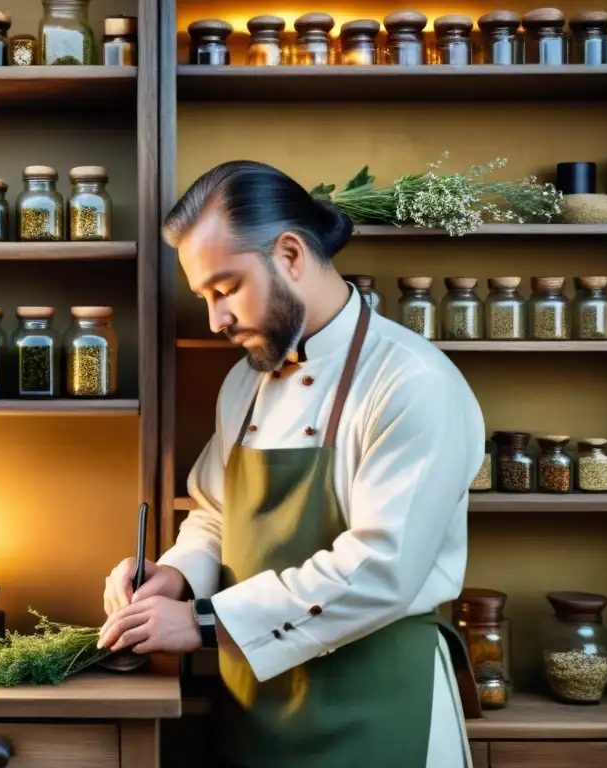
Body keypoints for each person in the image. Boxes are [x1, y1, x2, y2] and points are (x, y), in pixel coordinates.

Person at [99, 161, 486, 767]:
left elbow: (381, 570)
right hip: (257, 712)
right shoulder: (244, 384)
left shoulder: (413, 382)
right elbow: (214, 514)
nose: (215, 320)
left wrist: (200, 622)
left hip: (381, 711)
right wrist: (175, 575)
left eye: (225, 289)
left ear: (289, 253)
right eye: (205, 297)